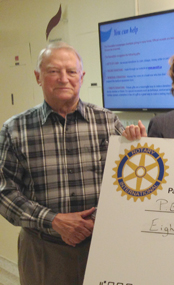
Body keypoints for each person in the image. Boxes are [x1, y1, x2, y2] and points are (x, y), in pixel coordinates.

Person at [0, 42, 124, 285]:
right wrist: (53, 220)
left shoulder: (108, 122)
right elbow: (4, 191)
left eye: (71, 71)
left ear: (82, 76)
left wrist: (138, 143)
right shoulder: (14, 129)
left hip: (103, 245)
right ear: (38, 76)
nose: (63, 78)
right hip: (43, 250)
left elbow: (127, 182)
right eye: (53, 71)